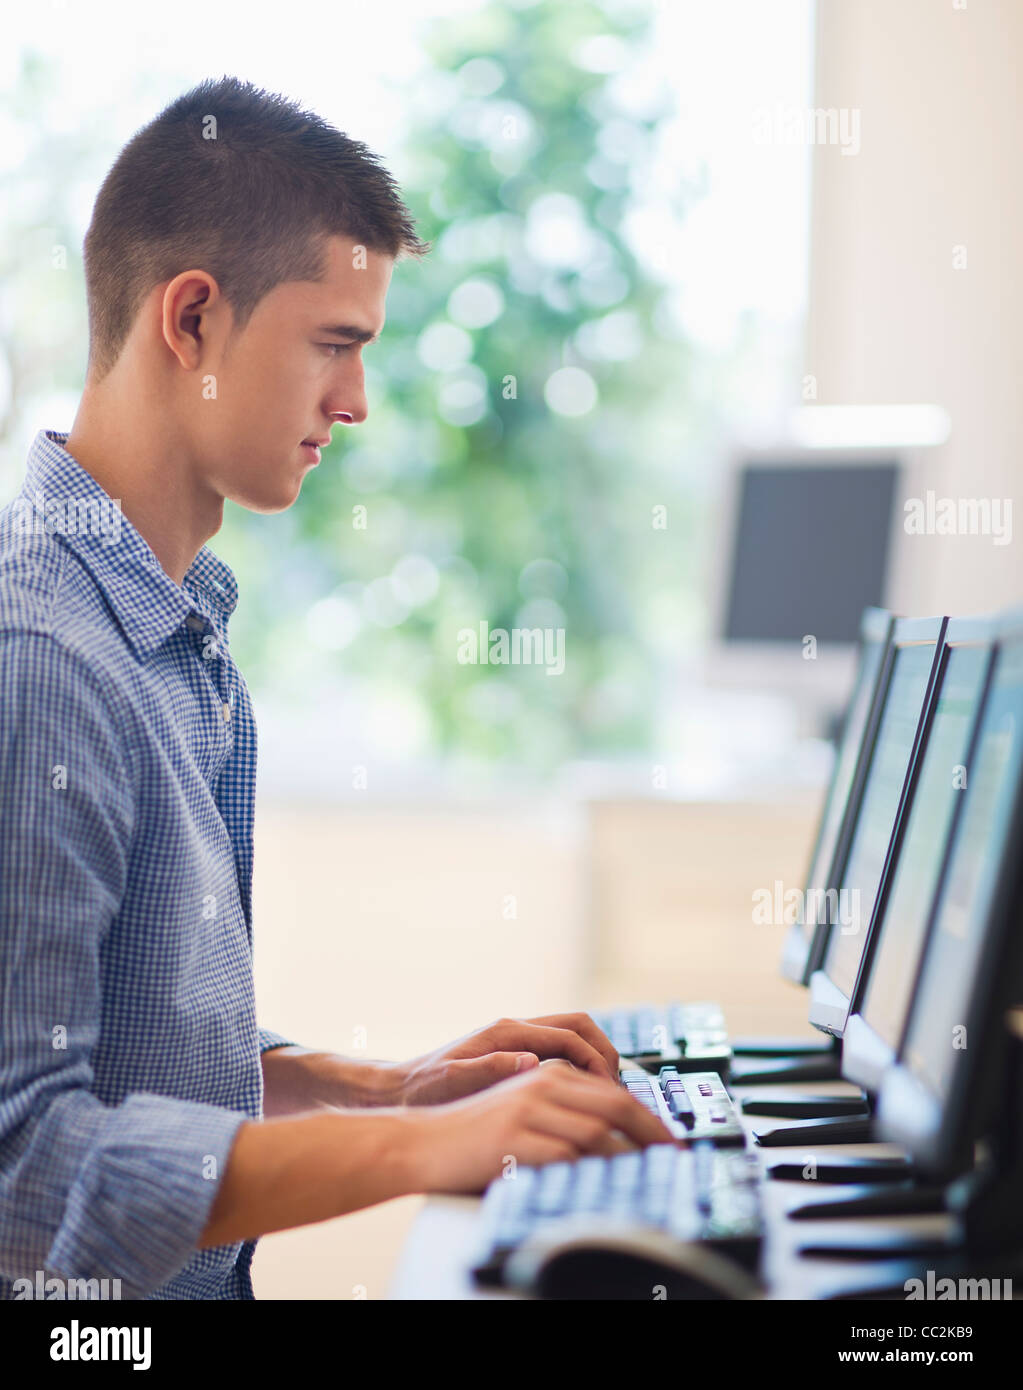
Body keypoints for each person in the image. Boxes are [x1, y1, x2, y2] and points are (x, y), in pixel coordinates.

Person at [0, 75, 671, 1301]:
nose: (355, 403)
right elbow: (23, 1162)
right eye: (334, 345)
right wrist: (420, 1150)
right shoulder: (41, 658)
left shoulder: (165, 634)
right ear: (192, 320)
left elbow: (125, 1067)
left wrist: (388, 1085)